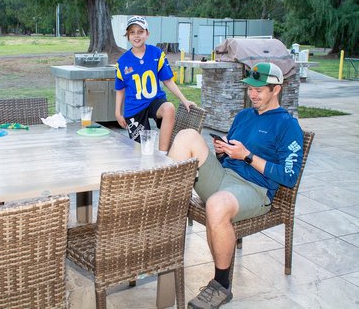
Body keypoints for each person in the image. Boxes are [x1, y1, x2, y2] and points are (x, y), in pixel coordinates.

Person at [168, 62, 304, 309]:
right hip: (224, 177)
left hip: (254, 189)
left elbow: (289, 176)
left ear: (277, 90)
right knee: (187, 136)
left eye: (259, 90)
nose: (252, 94)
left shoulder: (287, 125)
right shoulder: (243, 116)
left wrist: (247, 156)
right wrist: (224, 151)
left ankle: (221, 286)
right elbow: (228, 157)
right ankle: (162, 213)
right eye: (250, 88)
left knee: (217, 205)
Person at [114, 15, 195, 153]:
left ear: (147, 34)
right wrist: (117, 112)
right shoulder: (122, 62)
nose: (136, 35)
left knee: (169, 108)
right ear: (127, 36)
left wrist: (184, 99)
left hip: (154, 101)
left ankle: (163, 155)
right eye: (132, 32)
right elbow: (120, 89)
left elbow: (168, 80)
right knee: (141, 152)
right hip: (134, 108)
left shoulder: (156, 53)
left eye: (140, 31)